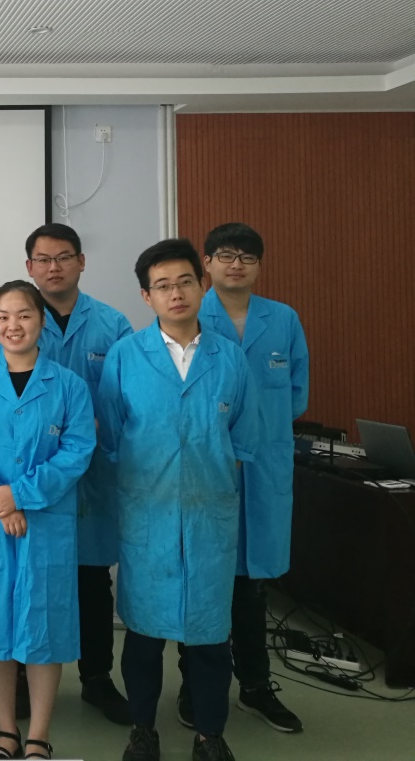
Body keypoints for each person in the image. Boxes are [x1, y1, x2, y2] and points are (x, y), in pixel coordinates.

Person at [96, 239, 262, 761]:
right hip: (148, 516)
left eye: (185, 282)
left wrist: (206, 479)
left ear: (202, 285)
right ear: (146, 297)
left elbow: (243, 439)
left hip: (210, 518)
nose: (176, 293)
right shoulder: (125, 357)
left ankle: (210, 735)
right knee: (143, 636)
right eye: (163, 286)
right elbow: (111, 437)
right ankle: (143, 730)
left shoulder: (229, 358)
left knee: (210, 636)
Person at [0, 281, 96, 761]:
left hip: (45, 523)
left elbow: (78, 451)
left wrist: (22, 495)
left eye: (24, 315)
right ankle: (6, 731)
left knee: (43, 627)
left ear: (41, 322)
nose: (13, 326)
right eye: (3, 317)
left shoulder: (69, 385)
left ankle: (38, 737)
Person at [175, 224, 309, 735]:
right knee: (202, 583)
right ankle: (194, 685)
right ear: (206, 263)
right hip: (207, 471)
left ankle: (255, 686)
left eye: (247, 257)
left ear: (259, 266)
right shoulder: (190, 314)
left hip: (264, 470)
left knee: (253, 586)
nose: (237, 265)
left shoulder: (283, 319)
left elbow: (296, 393)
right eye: (226, 255)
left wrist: (256, 433)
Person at [23, 223, 134, 725]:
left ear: (81, 262)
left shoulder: (113, 325)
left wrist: (95, 434)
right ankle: (25, 678)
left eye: (64, 257)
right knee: (34, 579)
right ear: (29, 267)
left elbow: (130, 399)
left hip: (94, 473)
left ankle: (97, 678)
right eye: (43, 259)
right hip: (37, 474)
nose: (54, 267)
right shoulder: (18, 321)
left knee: (92, 580)